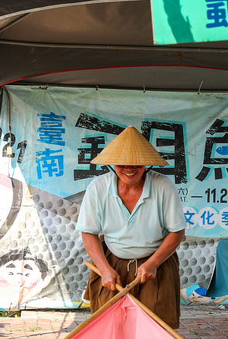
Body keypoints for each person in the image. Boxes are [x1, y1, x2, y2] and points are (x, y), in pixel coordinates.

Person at [76, 126, 186, 327]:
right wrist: (104, 268)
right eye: (122, 163)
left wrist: (153, 263)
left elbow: (177, 231)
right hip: (112, 262)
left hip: (156, 264)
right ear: (113, 165)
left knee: (155, 326)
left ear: (146, 164)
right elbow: (88, 232)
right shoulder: (98, 188)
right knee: (109, 324)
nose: (129, 168)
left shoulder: (163, 186)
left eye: (137, 163)